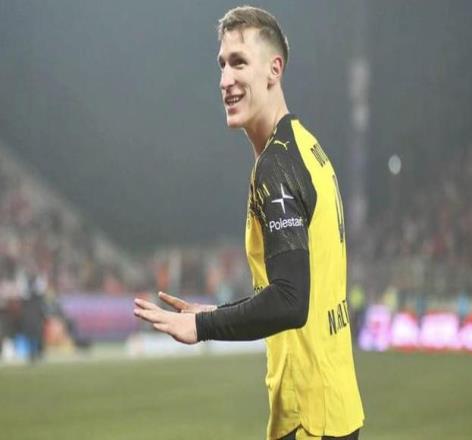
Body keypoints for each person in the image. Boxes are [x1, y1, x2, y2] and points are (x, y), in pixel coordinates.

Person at [134, 6, 364, 439]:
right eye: (222, 65)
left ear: (274, 69)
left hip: (309, 416)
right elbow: (292, 287)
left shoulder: (276, 166)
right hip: (335, 405)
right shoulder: (308, 149)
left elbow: (290, 300)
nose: (225, 79)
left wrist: (202, 326)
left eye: (239, 62)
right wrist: (218, 312)